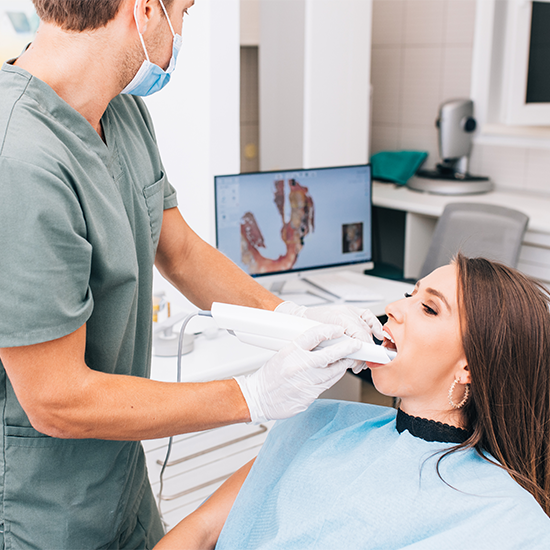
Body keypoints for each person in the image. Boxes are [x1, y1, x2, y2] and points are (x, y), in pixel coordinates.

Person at [0, 1, 380, 548]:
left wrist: (292, 320)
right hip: (42, 510)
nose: (183, 29)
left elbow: (178, 250)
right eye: (187, 10)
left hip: (119, 485)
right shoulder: (20, 160)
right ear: (147, 9)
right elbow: (57, 401)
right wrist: (252, 394)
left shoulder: (122, 112)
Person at [156, 255, 550, 550]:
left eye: (428, 308)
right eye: (410, 294)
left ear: (470, 368)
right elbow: (203, 527)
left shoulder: (506, 517)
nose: (394, 308)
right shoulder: (319, 422)